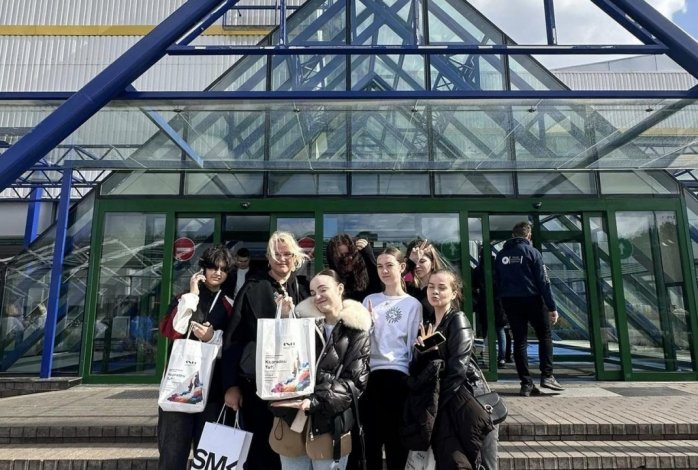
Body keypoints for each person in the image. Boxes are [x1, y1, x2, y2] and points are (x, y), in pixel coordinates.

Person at [222, 231, 311, 470]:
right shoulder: (252, 288)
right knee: (261, 453)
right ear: (268, 258)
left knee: (293, 453)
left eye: (287, 254)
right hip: (258, 388)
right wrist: (230, 385)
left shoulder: (305, 289)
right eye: (276, 254)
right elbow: (233, 339)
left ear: (295, 257)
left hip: (297, 389)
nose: (282, 259)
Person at [270, 269, 372, 470]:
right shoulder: (301, 324)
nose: (317, 296)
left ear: (340, 288)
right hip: (292, 420)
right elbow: (280, 361)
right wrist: (286, 319)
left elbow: (354, 382)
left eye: (323, 289)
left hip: (330, 424)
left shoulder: (357, 331)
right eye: (313, 292)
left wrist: (315, 400)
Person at [157, 245, 234, 470]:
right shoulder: (184, 297)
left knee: (208, 455)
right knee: (172, 453)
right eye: (213, 267)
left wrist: (212, 337)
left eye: (223, 269)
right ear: (203, 269)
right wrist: (192, 295)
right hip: (179, 384)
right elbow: (173, 330)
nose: (217, 273)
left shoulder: (229, 303)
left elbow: (233, 344)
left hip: (212, 388)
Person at [409, 269, 494, 469]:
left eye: (442, 287)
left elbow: (458, 368)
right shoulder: (428, 324)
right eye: (431, 287)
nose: (435, 291)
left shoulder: (458, 319)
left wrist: (436, 404)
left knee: (474, 459)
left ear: (454, 293)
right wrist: (423, 352)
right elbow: (420, 367)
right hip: (445, 401)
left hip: (464, 398)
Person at [360, 247, 422, 470]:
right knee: (371, 442)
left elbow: (412, 345)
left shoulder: (412, 304)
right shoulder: (370, 300)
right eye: (379, 266)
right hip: (371, 376)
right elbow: (361, 342)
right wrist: (367, 325)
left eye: (389, 265)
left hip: (399, 376)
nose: (384, 271)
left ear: (402, 267)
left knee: (397, 443)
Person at [494, 221, 563, 397]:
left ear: (512, 235)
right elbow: (543, 281)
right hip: (532, 300)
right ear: (529, 236)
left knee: (520, 342)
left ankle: (526, 383)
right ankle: (547, 376)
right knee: (544, 336)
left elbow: (497, 280)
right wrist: (552, 307)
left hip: (510, 301)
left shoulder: (501, 255)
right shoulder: (532, 252)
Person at [326, 234, 382, 302]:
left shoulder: (365, 272)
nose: (350, 258)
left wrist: (368, 256)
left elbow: (381, 284)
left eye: (351, 253)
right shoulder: (331, 281)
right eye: (343, 256)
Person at [405, 239, 449, 324]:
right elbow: (400, 282)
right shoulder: (409, 286)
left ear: (432, 263)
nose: (417, 265)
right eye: (414, 262)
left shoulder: (442, 287)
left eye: (422, 261)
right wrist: (410, 264)